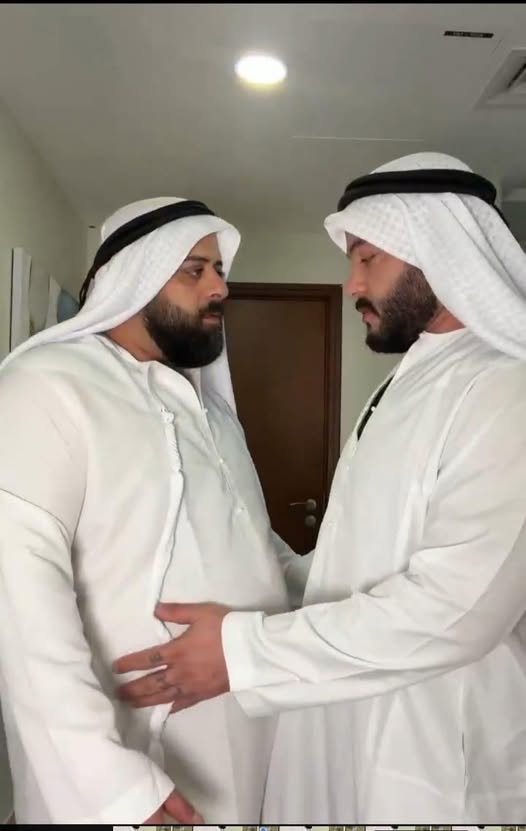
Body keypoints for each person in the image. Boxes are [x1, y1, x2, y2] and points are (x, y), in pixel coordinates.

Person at [114, 153, 526, 823]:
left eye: (368, 258)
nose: (351, 283)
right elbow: (357, 558)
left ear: (439, 254)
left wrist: (241, 652)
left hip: (442, 743)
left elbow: (460, 611)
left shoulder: (507, 386)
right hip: (355, 717)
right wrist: (250, 560)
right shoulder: (417, 379)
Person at [0, 197, 309, 824]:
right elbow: (20, 602)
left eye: (219, 271)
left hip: (245, 722)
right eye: (194, 270)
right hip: (131, 754)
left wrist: (351, 601)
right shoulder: (47, 386)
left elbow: (256, 543)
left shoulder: (211, 411)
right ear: (131, 278)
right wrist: (108, 780)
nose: (220, 288)